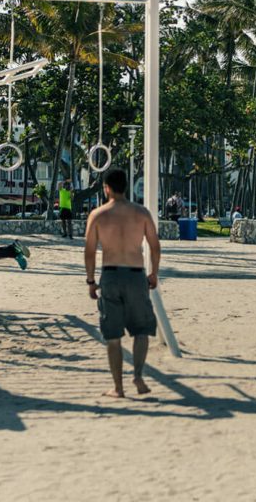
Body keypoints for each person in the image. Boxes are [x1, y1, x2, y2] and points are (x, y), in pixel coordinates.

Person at [85, 169, 161, 399]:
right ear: (125, 187)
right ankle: (138, 375)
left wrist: (90, 280)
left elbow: (89, 252)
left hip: (110, 275)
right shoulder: (141, 213)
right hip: (136, 274)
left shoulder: (98, 215)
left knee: (113, 335)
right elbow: (155, 246)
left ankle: (118, 387)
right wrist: (154, 273)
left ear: (106, 188)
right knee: (141, 330)